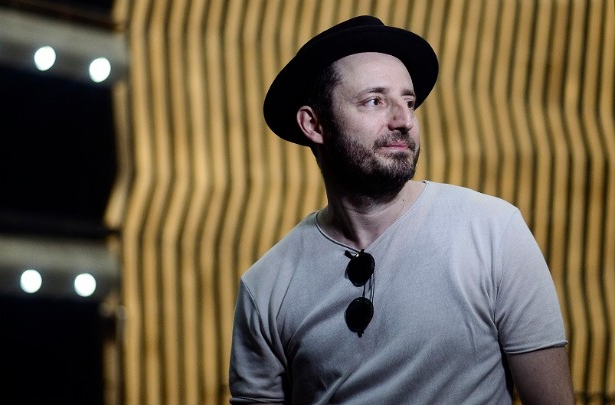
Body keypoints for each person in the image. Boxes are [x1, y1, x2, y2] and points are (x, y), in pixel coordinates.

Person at [228, 15, 575, 404]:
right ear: (314, 124)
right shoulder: (266, 287)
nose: (404, 120)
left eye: (408, 102)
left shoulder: (494, 231)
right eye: (374, 101)